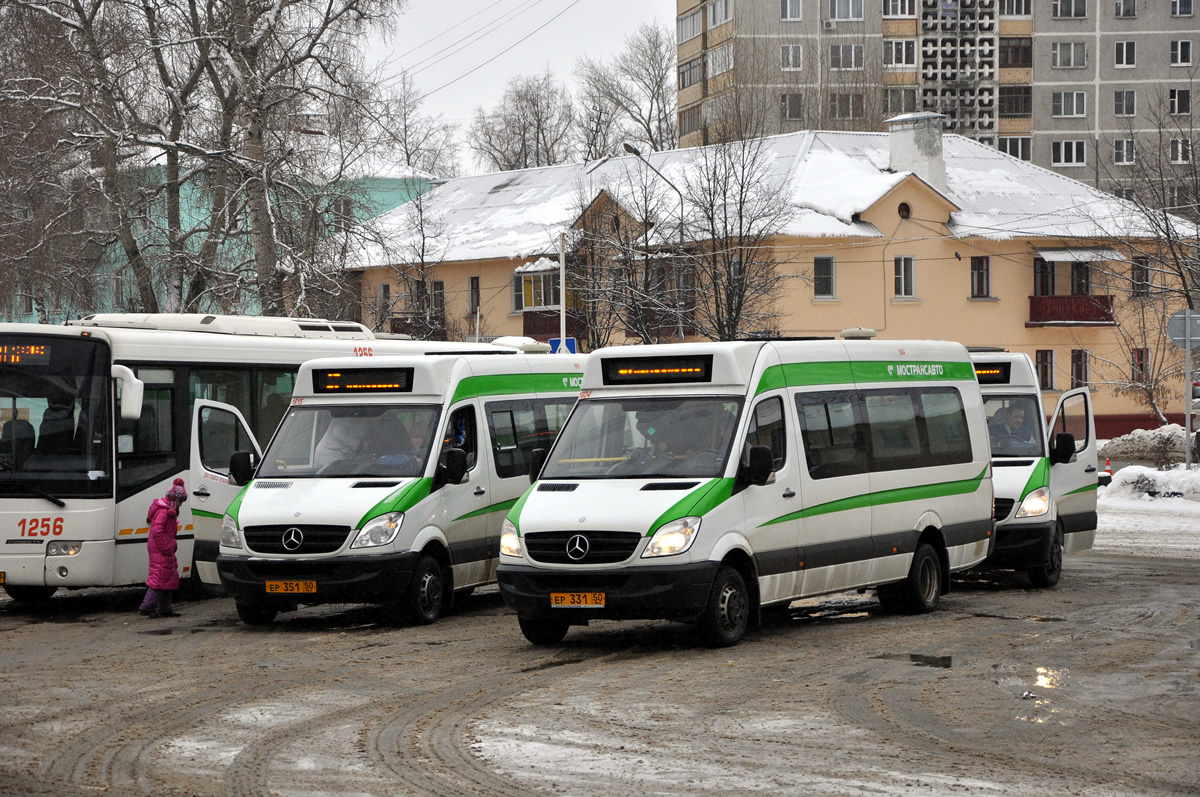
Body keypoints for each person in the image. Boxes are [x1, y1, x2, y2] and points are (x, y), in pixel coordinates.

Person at [139, 478, 187, 618]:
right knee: (159, 578)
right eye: (180, 502)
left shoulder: (166, 511)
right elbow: (157, 531)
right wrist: (168, 546)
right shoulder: (164, 512)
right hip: (161, 549)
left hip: (162, 548)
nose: (180, 505)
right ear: (174, 500)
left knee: (167, 577)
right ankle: (147, 607)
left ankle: (165, 608)